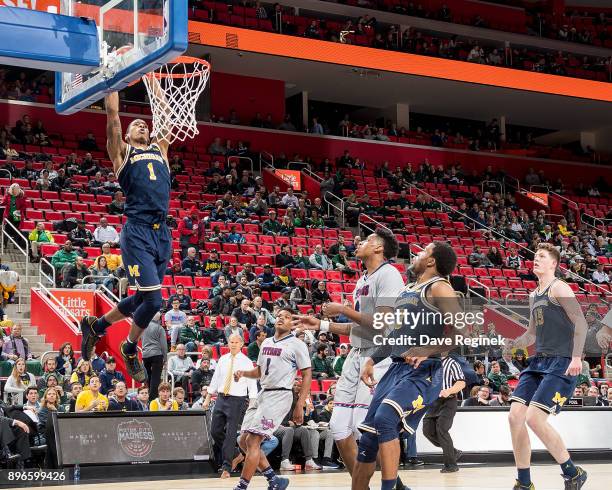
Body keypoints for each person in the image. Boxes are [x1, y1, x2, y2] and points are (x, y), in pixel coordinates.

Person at [293, 228, 404, 480]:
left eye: (366, 240)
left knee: (361, 427)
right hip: (356, 352)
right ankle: (363, 484)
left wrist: (342, 308)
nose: (359, 242)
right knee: (338, 427)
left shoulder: (389, 275)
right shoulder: (362, 279)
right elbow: (358, 325)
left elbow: (382, 323)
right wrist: (320, 324)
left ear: (379, 248)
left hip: (376, 356)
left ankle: (391, 482)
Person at [80, 87, 173, 383]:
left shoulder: (160, 150)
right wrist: (112, 81)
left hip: (162, 233)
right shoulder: (121, 152)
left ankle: (96, 328)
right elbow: (113, 116)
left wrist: (153, 82)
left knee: (142, 297)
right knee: (155, 301)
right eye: (136, 125)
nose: (141, 125)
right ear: (127, 136)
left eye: (144, 124)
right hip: (137, 232)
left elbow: (166, 118)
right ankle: (130, 347)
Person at [351, 241, 462, 490]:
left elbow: (462, 330)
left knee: (385, 420)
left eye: (424, 251)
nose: (417, 253)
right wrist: (372, 359)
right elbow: (395, 336)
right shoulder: (409, 289)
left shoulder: (440, 287)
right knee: (368, 439)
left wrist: (427, 349)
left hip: (425, 372)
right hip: (396, 369)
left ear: (431, 261)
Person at [507, 243, 588, 490]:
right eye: (534, 256)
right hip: (539, 361)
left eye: (542, 256)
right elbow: (531, 333)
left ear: (554, 263)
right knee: (515, 417)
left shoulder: (559, 287)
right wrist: (516, 342)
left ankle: (573, 472)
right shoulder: (534, 295)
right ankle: (524, 482)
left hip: (562, 361)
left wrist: (576, 357)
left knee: (534, 418)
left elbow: (581, 323)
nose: (536, 259)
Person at [232, 308, 312, 490]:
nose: (281, 318)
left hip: (280, 395)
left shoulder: (297, 344)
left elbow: (307, 375)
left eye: (287, 317)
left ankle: (242, 487)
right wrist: (243, 373)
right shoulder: (267, 341)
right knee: (243, 440)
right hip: (263, 393)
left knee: (252, 441)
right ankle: (274, 481)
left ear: (293, 323)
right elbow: (260, 371)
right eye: (279, 316)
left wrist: (300, 404)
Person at [203, 334, 257, 478]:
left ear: (241, 344)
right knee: (215, 431)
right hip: (221, 397)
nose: (233, 344)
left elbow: (252, 383)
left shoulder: (246, 362)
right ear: (228, 343)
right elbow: (215, 380)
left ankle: (227, 467)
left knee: (230, 434)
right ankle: (236, 454)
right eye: (231, 342)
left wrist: (252, 402)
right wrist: (208, 397)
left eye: (236, 342)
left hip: (237, 400)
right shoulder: (222, 359)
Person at [423, 355, 466, 473]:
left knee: (441, 429)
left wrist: (449, 391)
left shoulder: (452, 363)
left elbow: (461, 383)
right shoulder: (430, 363)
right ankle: (453, 452)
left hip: (448, 400)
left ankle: (451, 465)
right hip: (433, 402)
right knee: (427, 431)